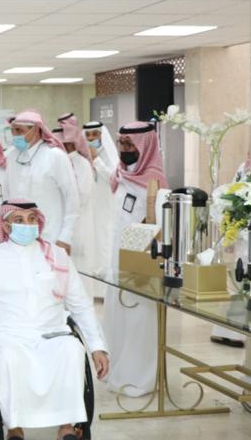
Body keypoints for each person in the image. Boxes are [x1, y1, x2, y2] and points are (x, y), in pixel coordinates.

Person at [0, 199, 109, 440]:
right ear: (5, 226)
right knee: (11, 356)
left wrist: (97, 346)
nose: (27, 225)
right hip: (4, 335)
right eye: (19, 220)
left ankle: (67, 431)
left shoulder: (56, 257)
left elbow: (80, 305)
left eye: (32, 219)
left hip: (50, 333)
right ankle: (14, 432)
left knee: (72, 350)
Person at [102, 121, 168, 397]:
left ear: (146, 146)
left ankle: (139, 378)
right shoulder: (121, 175)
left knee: (139, 319)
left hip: (140, 262)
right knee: (118, 317)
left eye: (130, 144)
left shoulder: (155, 181)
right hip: (117, 259)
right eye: (122, 143)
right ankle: (116, 370)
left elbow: (160, 227)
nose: (124, 149)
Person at [4, 110, 80, 253]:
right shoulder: (11, 156)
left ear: (35, 130)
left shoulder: (55, 156)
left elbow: (72, 197)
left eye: (19, 130)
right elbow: (7, 195)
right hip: (17, 237)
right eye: (12, 131)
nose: (15, 136)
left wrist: (66, 237)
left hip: (51, 236)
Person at [56, 114, 97, 275]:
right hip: (61, 224)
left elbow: (81, 197)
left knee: (79, 271)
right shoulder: (60, 161)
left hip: (79, 225)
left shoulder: (82, 163)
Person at [83, 120, 120, 284]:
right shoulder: (83, 154)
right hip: (90, 204)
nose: (91, 138)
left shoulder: (109, 155)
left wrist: (97, 159)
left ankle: (106, 277)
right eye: (88, 135)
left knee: (105, 237)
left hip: (106, 205)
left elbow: (113, 179)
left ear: (102, 136)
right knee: (92, 238)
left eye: (95, 134)